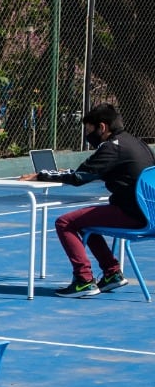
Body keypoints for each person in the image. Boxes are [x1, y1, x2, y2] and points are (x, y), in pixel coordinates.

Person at [18, 102, 155, 297]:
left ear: (102, 127)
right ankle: (111, 273)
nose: (87, 135)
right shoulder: (138, 144)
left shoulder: (111, 148)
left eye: (89, 130)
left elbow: (79, 178)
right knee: (84, 222)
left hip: (132, 215)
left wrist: (42, 175)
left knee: (65, 222)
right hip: (149, 216)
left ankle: (84, 280)